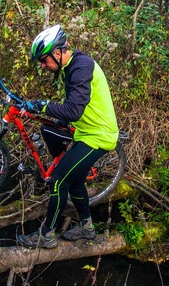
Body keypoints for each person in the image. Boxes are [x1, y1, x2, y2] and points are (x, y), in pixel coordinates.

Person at [17, 24, 119, 249]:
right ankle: (88, 228)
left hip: (98, 136)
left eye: (44, 60)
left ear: (57, 53)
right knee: (74, 183)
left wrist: (43, 106)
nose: (43, 66)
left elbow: (74, 110)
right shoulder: (70, 66)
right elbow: (76, 104)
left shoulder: (81, 67)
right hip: (86, 132)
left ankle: (46, 236)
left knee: (58, 181)